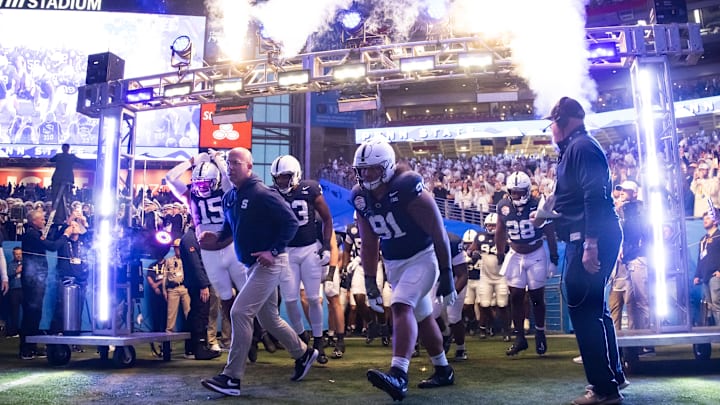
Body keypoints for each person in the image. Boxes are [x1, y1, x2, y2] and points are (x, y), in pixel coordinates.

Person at [199, 147, 317, 397]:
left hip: (270, 264)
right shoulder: (229, 197)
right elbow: (228, 231)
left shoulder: (263, 193)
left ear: (249, 167)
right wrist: (215, 240)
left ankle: (231, 378)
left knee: (240, 312)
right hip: (252, 265)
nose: (230, 167)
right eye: (228, 163)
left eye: (236, 163)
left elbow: (291, 223)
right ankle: (303, 353)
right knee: (269, 319)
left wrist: (272, 251)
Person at [351, 138, 457, 401]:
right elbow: (369, 240)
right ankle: (443, 369)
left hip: (422, 258)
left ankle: (398, 374)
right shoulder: (360, 196)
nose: (367, 175)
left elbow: (438, 232)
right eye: (362, 170)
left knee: (400, 305)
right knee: (422, 316)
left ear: (387, 167)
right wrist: (369, 278)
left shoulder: (408, 186)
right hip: (394, 264)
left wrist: (447, 274)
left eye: (373, 169)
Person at [548, 96, 627, 405]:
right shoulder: (580, 147)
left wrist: (590, 243)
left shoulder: (581, 148)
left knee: (585, 311)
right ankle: (613, 377)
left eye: (553, 124)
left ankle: (605, 389)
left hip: (589, 237)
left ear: (563, 122)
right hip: (588, 235)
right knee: (596, 309)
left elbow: (595, 197)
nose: (551, 130)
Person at [166, 150, 247, 349]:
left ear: (217, 181)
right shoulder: (191, 196)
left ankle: (254, 332)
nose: (201, 188)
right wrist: (192, 161)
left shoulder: (226, 191)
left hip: (230, 247)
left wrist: (219, 160)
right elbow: (169, 178)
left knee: (246, 294)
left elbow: (230, 180)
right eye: (198, 183)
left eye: (206, 183)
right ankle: (241, 337)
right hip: (209, 251)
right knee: (225, 299)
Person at [270, 154, 334, 364]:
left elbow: (326, 218)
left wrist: (326, 245)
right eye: (278, 178)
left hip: (308, 249)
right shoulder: (272, 194)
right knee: (289, 300)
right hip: (286, 251)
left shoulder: (310, 189)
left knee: (314, 298)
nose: (281, 182)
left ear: (295, 175)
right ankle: (301, 338)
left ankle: (319, 341)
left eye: (285, 177)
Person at [496, 171, 559, 357]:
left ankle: (540, 332)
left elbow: (549, 231)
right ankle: (520, 338)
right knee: (515, 296)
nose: (516, 196)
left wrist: (554, 257)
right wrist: (500, 253)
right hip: (515, 253)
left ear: (527, 191)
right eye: (513, 192)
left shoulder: (538, 203)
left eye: (519, 192)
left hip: (536, 252)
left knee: (536, 296)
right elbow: (500, 231)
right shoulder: (503, 205)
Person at [20, 209, 73, 359]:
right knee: (31, 311)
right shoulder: (31, 235)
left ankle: (32, 345)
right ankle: (25, 347)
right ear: (34, 221)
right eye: (42, 219)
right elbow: (52, 246)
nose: (44, 221)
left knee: (36, 312)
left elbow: (52, 239)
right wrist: (66, 235)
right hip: (32, 278)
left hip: (37, 277)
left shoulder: (36, 234)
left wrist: (65, 226)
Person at [178, 226, 221, 360]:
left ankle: (191, 348)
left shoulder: (192, 237)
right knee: (201, 314)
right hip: (198, 283)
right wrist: (203, 285)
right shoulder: (190, 239)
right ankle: (199, 347)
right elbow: (195, 264)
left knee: (195, 312)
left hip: (197, 282)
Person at [466, 213, 511, 341]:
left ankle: (506, 331)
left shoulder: (505, 237)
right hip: (485, 277)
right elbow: (470, 250)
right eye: (489, 225)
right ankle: (488, 326)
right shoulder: (480, 237)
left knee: (502, 305)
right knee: (484, 304)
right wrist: (472, 253)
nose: (491, 227)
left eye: (494, 225)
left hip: (501, 276)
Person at [431, 231, 469, 360]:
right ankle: (445, 333)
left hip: (454, 280)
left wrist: (453, 293)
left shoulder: (452, 241)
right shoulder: (418, 240)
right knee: (430, 315)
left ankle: (460, 348)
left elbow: (463, 274)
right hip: (434, 281)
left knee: (453, 317)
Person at [693, 210, 720, 326]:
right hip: (705, 276)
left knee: (717, 304)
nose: (705, 221)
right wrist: (697, 275)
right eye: (704, 219)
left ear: (715, 221)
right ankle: (715, 332)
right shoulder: (702, 240)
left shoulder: (719, 236)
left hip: (715, 275)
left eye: (708, 218)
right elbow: (700, 259)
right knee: (710, 305)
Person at [161, 239, 191, 334]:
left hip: (184, 287)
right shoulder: (169, 261)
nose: (178, 250)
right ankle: (169, 335)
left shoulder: (187, 259)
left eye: (179, 248)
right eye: (176, 248)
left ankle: (192, 333)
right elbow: (165, 276)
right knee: (171, 314)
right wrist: (164, 290)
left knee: (189, 311)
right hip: (173, 288)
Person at [49, 143, 85, 213]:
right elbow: (81, 161)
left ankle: (61, 212)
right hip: (64, 179)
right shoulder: (70, 156)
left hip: (58, 179)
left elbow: (50, 160)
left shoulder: (59, 156)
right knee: (61, 198)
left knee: (59, 198)